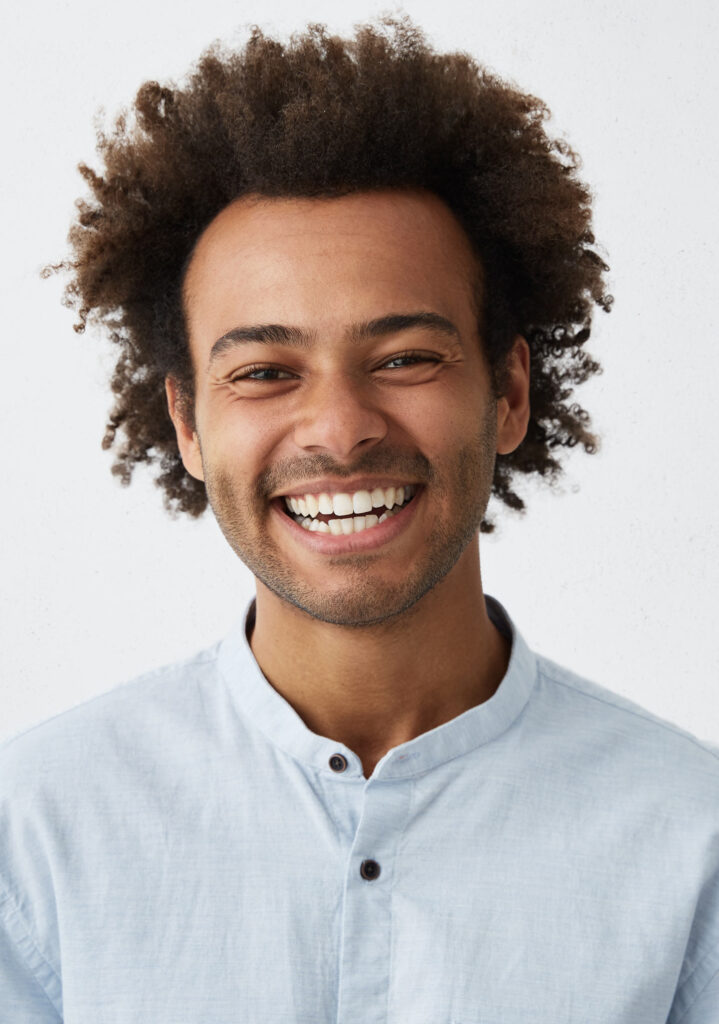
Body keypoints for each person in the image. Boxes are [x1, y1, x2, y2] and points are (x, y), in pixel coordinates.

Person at [1, 16, 717, 1023]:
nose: (338, 430)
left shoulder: (691, 837)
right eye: (262, 372)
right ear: (187, 423)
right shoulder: (31, 831)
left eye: (404, 358)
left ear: (509, 390)